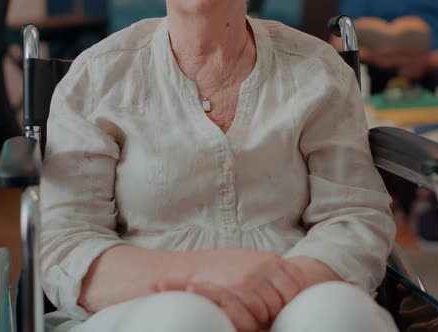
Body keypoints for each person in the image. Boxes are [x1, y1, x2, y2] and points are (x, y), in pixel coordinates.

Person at [40, 1, 398, 331]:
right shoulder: (97, 78)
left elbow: (353, 215)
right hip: (137, 304)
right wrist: (206, 277)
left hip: (297, 291)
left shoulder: (317, 70)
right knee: (185, 320)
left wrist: (273, 290)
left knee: (340, 315)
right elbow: (68, 245)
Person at [333, 0, 438, 93]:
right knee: (342, 68)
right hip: (377, 67)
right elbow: (339, 40)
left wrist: (428, 62)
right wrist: (374, 57)